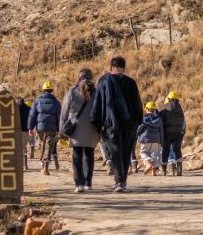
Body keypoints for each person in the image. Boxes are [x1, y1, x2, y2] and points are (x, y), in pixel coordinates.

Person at [90, 56, 143, 192]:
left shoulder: (103, 81)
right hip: (129, 123)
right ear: (124, 68)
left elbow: (98, 103)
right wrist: (138, 123)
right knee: (126, 152)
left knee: (115, 151)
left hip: (110, 123)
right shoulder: (131, 82)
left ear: (111, 67)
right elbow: (138, 105)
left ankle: (119, 181)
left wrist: (96, 123)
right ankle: (122, 181)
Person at [60, 69, 100, 193]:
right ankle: (88, 183)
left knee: (77, 156)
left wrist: (62, 130)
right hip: (92, 129)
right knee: (89, 155)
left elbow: (64, 112)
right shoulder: (97, 93)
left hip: (75, 128)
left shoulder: (72, 92)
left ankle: (79, 184)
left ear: (79, 78)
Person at [28, 81, 61, 176]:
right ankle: (46, 165)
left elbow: (32, 115)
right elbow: (59, 117)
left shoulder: (37, 101)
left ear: (43, 90)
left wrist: (30, 127)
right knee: (49, 146)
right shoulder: (56, 103)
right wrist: (59, 129)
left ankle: (42, 164)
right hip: (52, 128)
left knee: (41, 144)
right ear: (52, 90)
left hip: (40, 128)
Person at [159, 91, 186, 176]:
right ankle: (179, 170)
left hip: (167, 133)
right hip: (178, 133)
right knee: (177, 150)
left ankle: (164, 171)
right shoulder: (180, 109)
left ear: (169, 99)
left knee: (165, 151)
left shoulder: (164, 109)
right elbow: (183, 121)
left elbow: (160, 122)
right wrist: (182, 132)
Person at [137, 101, 163, 176]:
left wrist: (136, 135)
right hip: (156, 140)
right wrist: (161, 141)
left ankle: (148, 164)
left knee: (144, 153)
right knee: (155, 155)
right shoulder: (159, 119)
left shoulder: (143, 118)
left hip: (145, 139)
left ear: (147, 109)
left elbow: (139, 129)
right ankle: (153, 172)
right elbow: (161, 131)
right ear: (154, 110)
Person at [16, 97, 32, 170]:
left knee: (21, 148)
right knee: (24, 147)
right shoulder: (29, 109)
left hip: (18, 131)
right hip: (27, 131)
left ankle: (23, 165)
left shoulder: (15, 109)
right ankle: (24, 165)